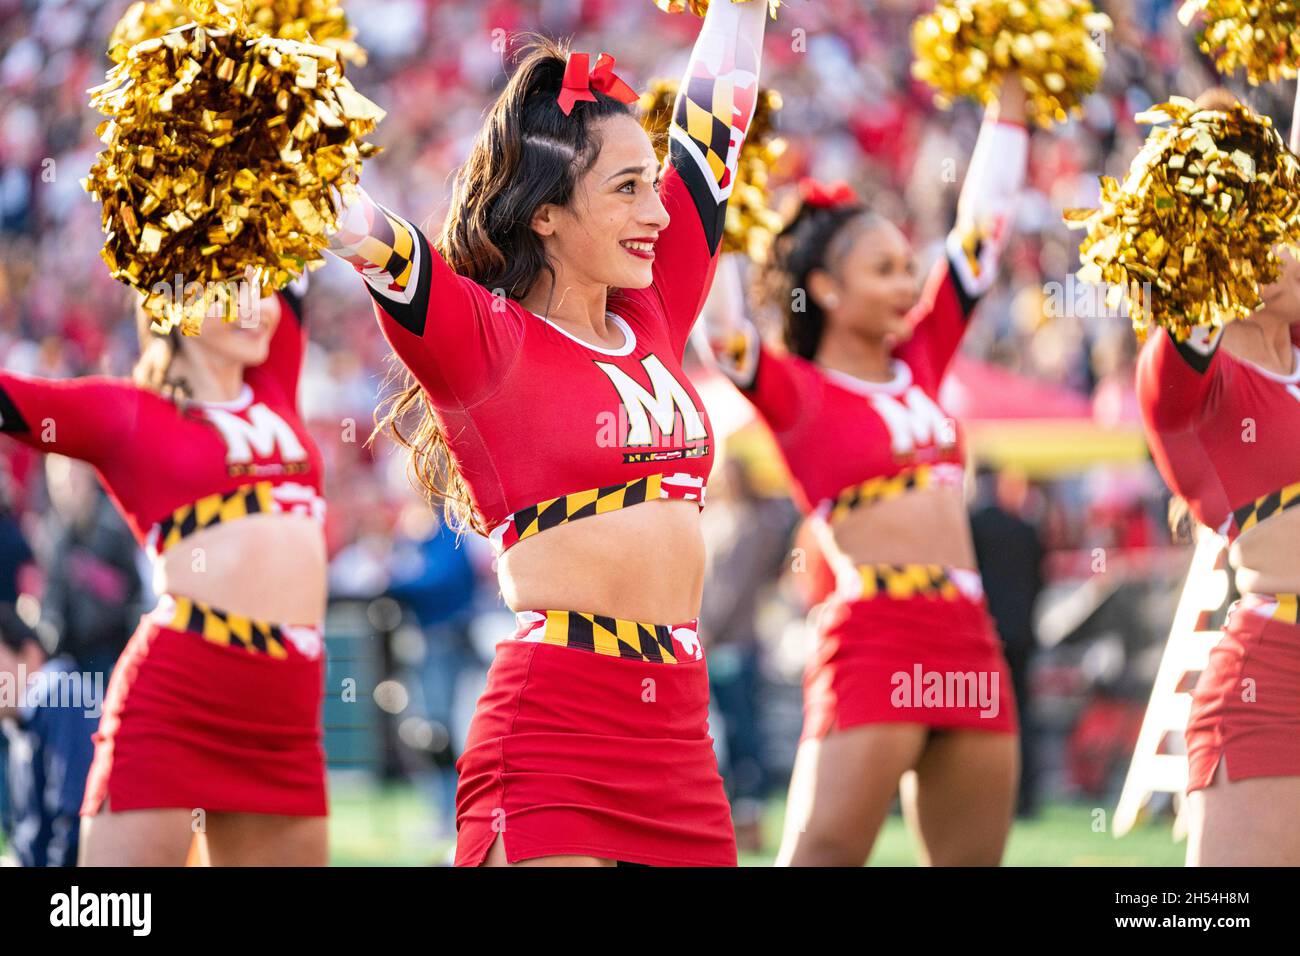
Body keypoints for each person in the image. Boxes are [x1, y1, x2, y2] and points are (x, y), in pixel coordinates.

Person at [323, 3, 769, 865]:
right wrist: (272, 128)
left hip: (677, 723)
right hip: (554, 728)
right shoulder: (485, 342)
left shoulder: (654, 307)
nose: (661, 211)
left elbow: (715, 132)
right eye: (628, 188)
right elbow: (368, 235)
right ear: (546, 215)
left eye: (653, 179)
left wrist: (745, 6)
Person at [699, 76, 1029, 865]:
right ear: (826, 288)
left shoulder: (922, 354)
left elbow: (980, 229)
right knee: (821, 857)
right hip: (876, 634)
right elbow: (723, 332)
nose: (908, 284)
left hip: (970, 635)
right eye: (884, 269)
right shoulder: (796, 391)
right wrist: (711, 185)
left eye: (906, 267)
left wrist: (1010, 100)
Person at [0, 279, 331, 866]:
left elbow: (294, 249)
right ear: (173, 298)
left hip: (288, 708)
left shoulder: (271, 377)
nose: (256, 306)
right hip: (181, 698)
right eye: (231, 289)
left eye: (262, 288)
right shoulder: (126, 412)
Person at [1136, 85, 1300, 867]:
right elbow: (1185, 332)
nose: (1272, 245)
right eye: (1244, 234)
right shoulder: (1194, 385)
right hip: (1277, 685)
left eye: (1276, 223)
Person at [2, 456, 141, 867]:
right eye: (60, 480)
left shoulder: (113, 530)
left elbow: (132, 600)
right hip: (69, 659)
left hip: (109, 661)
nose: (69, 488)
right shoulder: (55, 537)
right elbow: (53, 606)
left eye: (75, 479)